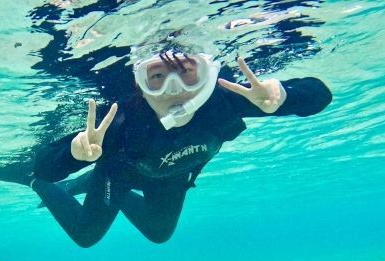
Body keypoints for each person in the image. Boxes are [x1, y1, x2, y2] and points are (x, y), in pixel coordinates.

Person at [29, 50, 332, 247]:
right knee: (86, 236)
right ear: (139, 83)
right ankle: (40, 186)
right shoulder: (121, 119)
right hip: (117, 176)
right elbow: (45, 166)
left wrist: (284, 95)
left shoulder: (226, 101)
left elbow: (320, 95)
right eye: (157, 77)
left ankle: (86, 183)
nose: (174, 89)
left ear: (208, 75)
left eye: (187, 73)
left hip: (172, 178)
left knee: (159, 234)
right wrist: (74, 153)